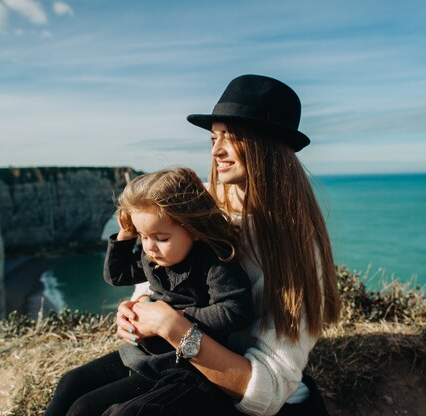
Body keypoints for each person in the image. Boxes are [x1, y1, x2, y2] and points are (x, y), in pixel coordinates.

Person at [112, 74, 341, 416]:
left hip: (229, 387)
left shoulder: (295, 246)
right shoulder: (201, 203)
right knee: (72, 393)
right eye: (213, 137)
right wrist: (140, 305)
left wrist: (172, 326)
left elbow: (269, 391)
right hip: (176, 362)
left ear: (266, 146)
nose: (216, 150)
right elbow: (158, 265)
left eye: (230, 138)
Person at [44, 167, 253, 416]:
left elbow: (237, 310)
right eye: (143, 236)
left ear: (194, 229)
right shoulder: (154, 257)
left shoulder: (213, 261)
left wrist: (175, 318)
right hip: (144, 354)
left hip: (183, 367)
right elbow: (117, 275)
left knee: (85, 408)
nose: (150, 247)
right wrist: (124, 236)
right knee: (71, 382)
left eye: (161, 237)